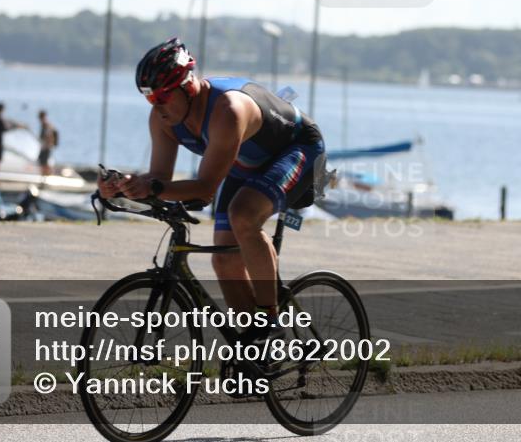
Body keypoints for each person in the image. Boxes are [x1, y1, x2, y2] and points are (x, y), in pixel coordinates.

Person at [97, 37, 325, 327]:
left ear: (188, 86)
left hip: (299, 149)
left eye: (163, 96)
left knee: (243, 216)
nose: (157, 106)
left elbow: (205, 189)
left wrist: (152, 187)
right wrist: (121, 187)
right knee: (224, 260)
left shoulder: (227, 110)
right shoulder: (162, 119)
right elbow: (159, 181)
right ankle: (250, 350)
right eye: (150, 98)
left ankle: (269, 324)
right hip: (245, 164)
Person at [37, 110, 58, 176]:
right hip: (45, 146)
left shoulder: (46, 125)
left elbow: (49, 136)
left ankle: (46, 176)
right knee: (42, 161)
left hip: (46, 147)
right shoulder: (45, 125)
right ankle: (44, 176)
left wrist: (48, 144)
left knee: (44, 162)